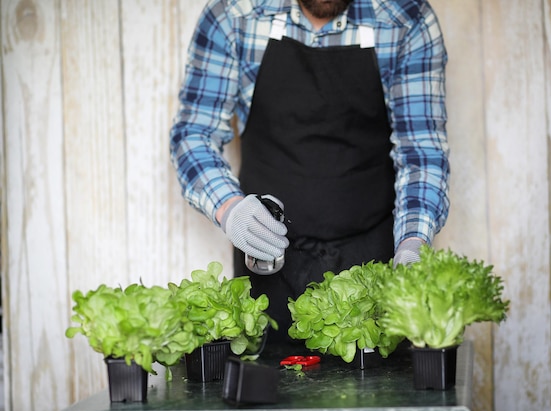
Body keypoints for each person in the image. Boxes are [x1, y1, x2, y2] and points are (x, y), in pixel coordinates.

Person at [170, 0, 450, 343]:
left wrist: (413, 245)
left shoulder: (406, 19)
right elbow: (193, 134)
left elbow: (422, 151)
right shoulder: (233, 14)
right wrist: (230, 209)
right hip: (266, 261)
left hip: (374, 261)